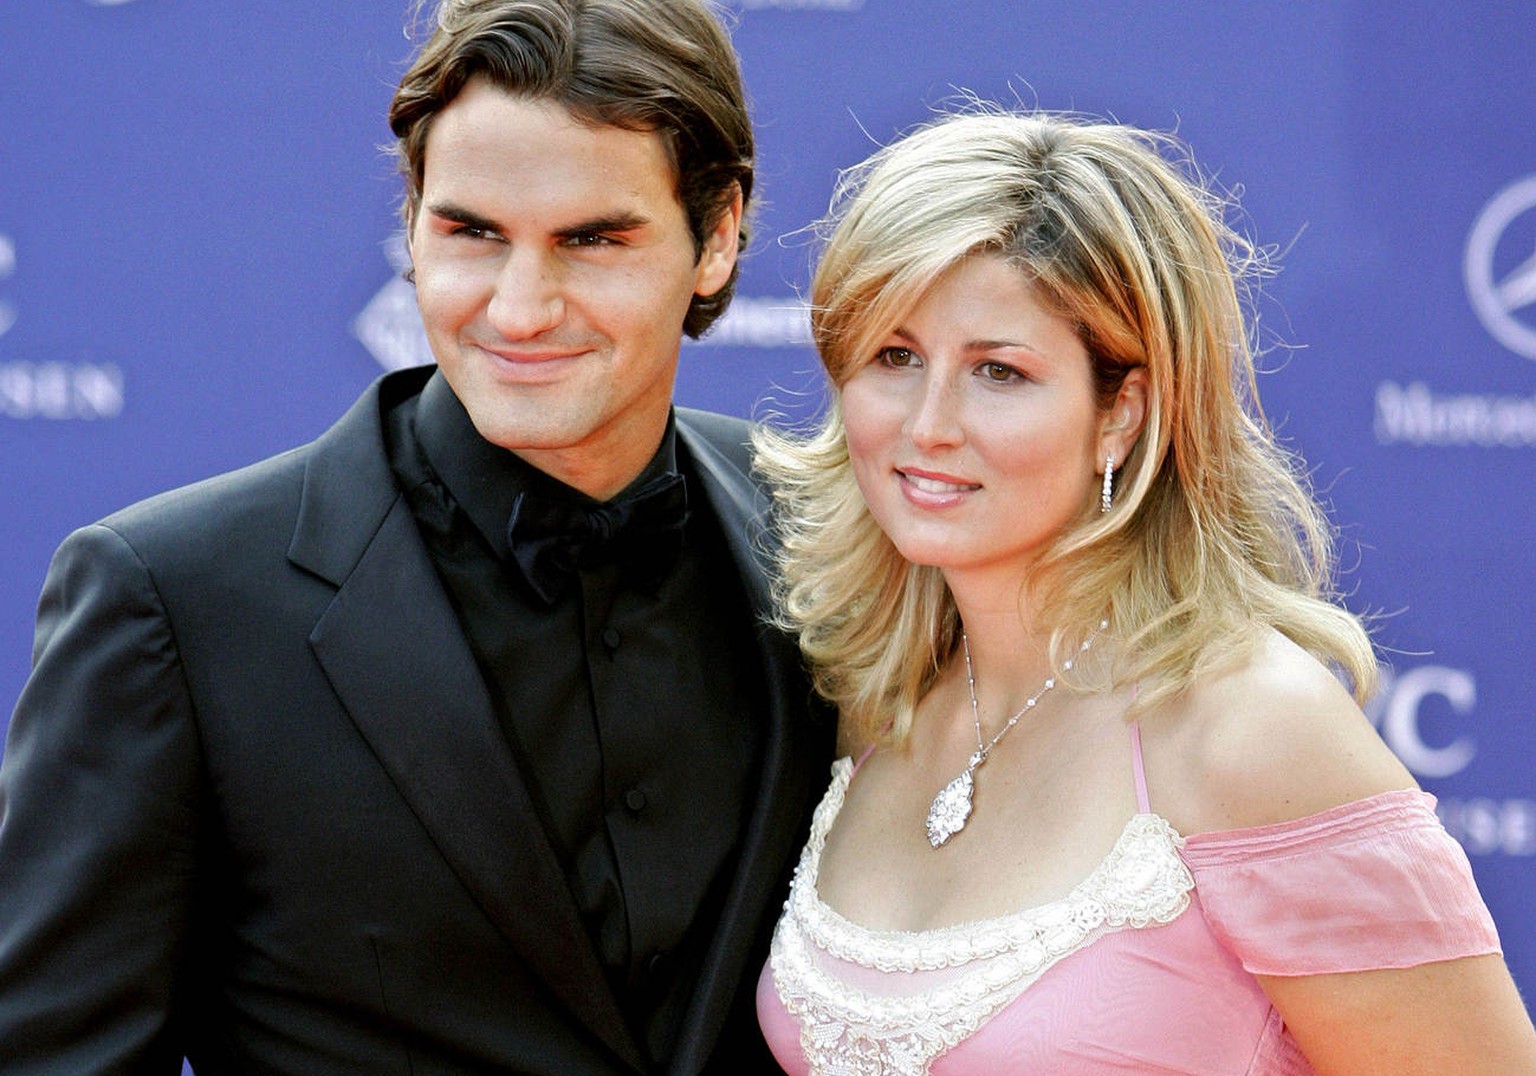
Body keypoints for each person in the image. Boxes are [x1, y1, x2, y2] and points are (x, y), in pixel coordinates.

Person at [0, 1, 831, 1072]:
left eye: (593, 240)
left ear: (717, 237)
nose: (521, 308)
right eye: (471, 232)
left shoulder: (828, 535)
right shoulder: (176, 600)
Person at [752, 109, 1536, 1073]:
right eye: (895, 358)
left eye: (999, 371)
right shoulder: (874, 698)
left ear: (1122, 413)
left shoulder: (1249, 728)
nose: (928, 424)